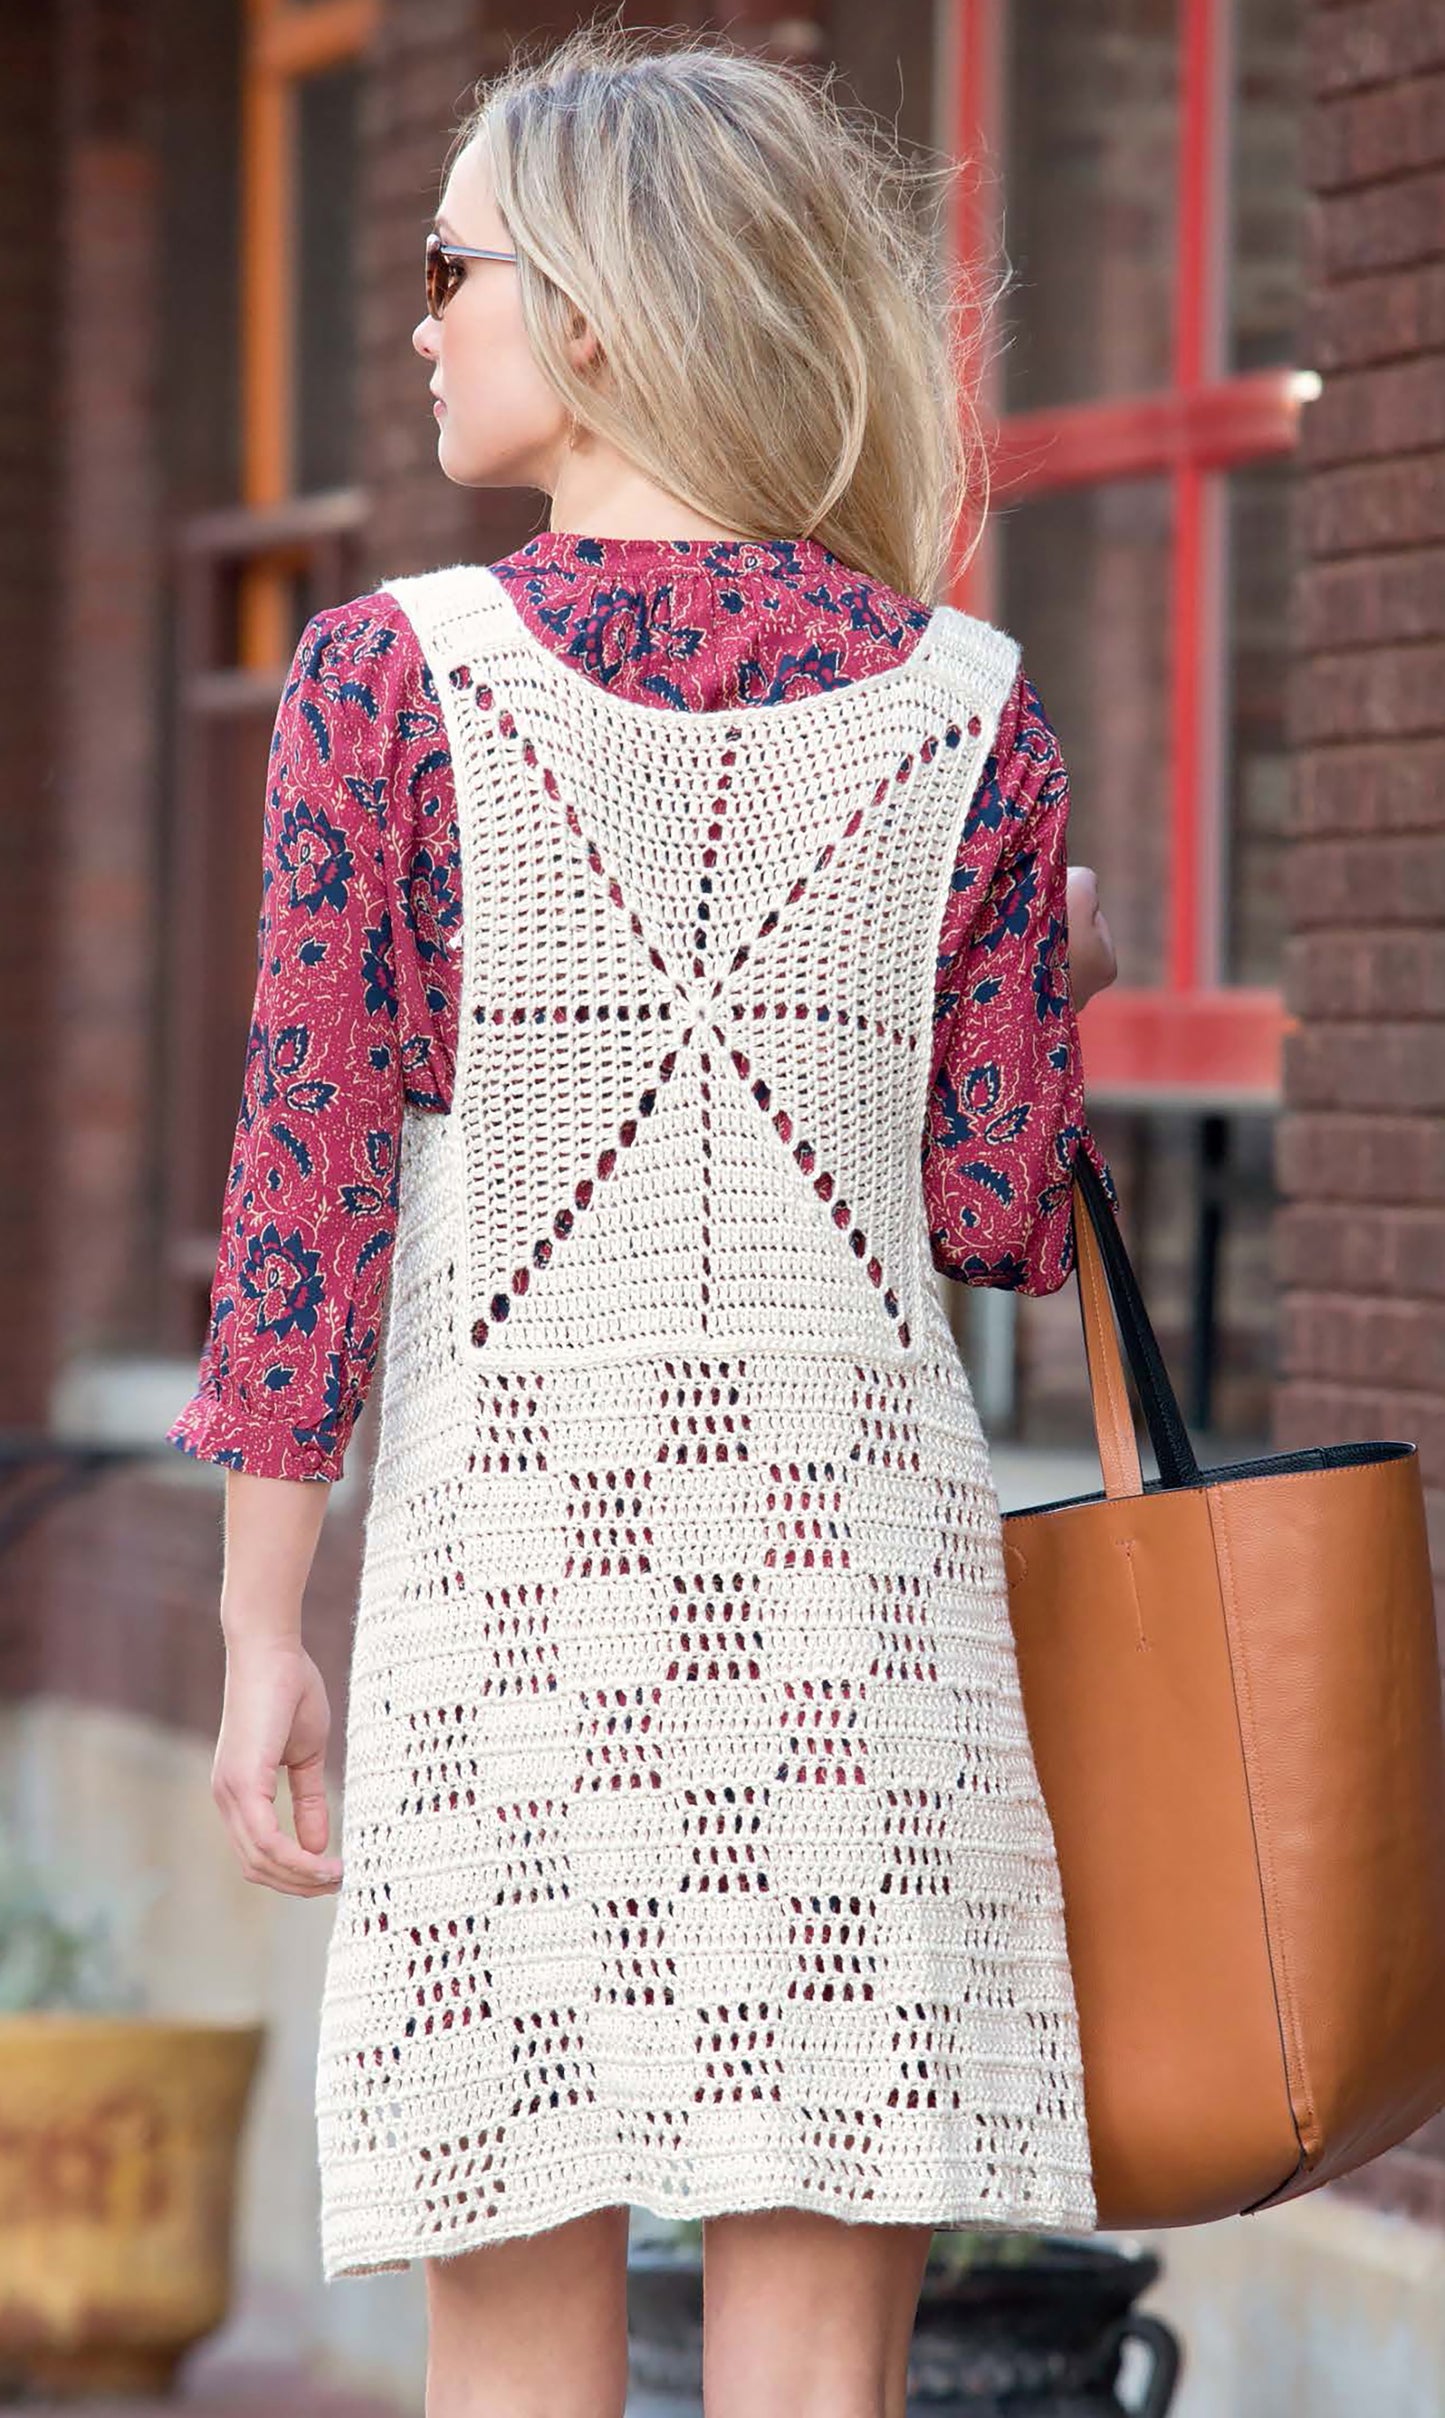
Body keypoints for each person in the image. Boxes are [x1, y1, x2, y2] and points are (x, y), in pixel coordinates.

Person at [169, 21, 1121, 2418]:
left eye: (445, 262)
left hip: (516, 1616)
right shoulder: (967, 711)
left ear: (587, 312)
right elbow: (996, 1213)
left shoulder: (389, 687)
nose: (418, 316)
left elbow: (308, 1195)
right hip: (849, 1622)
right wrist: (1041, 983)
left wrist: (261, 1630)